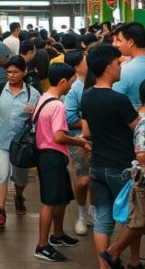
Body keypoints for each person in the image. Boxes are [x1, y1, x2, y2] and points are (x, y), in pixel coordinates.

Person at [80, 43, 141, 269]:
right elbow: (138, 129)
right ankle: (117, 254)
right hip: (121, 167)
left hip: (97, 165)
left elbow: (87, 131)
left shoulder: (87, 96)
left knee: (103, 219)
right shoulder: (119, 100)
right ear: (108, 67)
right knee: (133, 218)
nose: (120, 67)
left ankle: (104, 266)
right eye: (118, 63)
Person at [34, 63, 90, 261]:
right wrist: (81, 143)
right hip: (52, 156)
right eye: (72, 81)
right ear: (63, 81)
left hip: (46, 154)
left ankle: (58, 235)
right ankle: (42, 246)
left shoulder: (44, 98)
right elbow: (59, 136)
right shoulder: (57, 105)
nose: (72, 85)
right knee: (50, 202)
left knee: (61, 198)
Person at [0, 54, 40, 228]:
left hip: (21, 145)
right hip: (0, 141)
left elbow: (40, 119)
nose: (11, 75)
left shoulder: (33, 93)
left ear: (24, 72)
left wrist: (35, 113)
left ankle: (18, 196)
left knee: (20, 178)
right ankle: (1, 211)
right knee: (2, 175)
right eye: (8, 72)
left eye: (15, 72)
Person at [63, 50, 95, 236]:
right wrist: (86, 121)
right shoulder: (76, 88)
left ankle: (93, 212)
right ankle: (82, 214)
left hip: (97, 138)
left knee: (95, 178)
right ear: (77, 67)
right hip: (78, 140)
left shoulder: (96, 83)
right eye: (85, 61)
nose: (88, 63)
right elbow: (69, 118)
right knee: (83, 180)